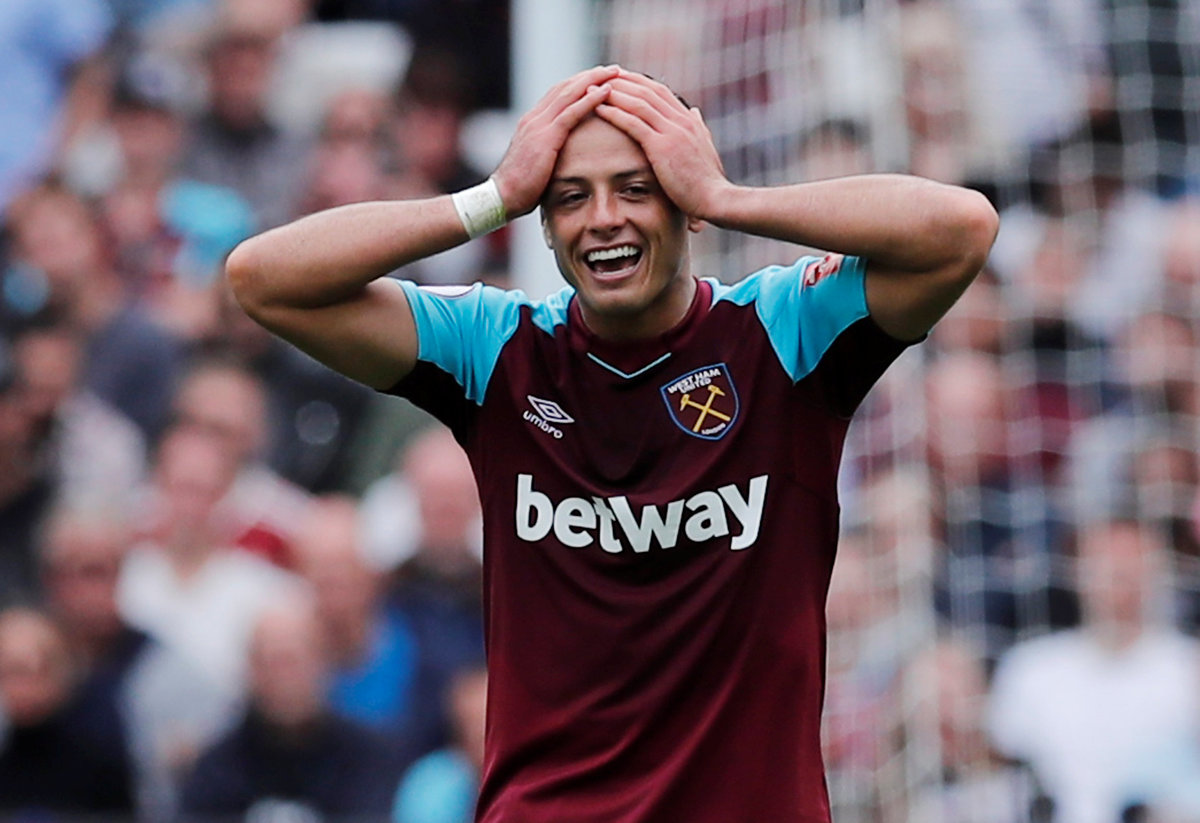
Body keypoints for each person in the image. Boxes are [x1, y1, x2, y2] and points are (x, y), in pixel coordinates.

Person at [227, 65, 998, 823]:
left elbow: (962, 228)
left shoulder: (784, 335)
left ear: (685, 205)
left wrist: (727, 197)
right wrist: (490, 198)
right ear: (543, 222)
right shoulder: (497, 351)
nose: (603, 218)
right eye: (570, 197)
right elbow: (263, 277)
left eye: (636, 188)